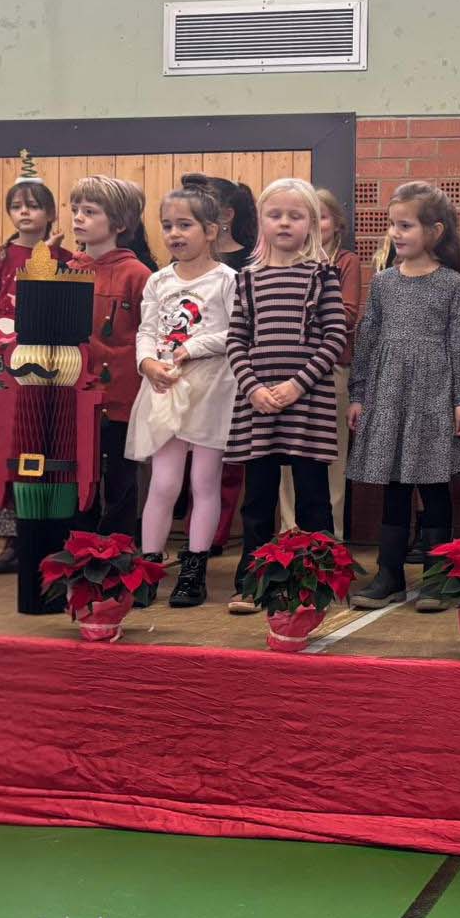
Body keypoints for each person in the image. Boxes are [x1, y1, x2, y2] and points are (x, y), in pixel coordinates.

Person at [346, 182, 460, 611]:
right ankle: (389, 575)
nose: (396, 234)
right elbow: (367, 338)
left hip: (434, 393)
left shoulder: (452, 284)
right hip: (388, 393)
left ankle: (438, 578)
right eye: (392, 226)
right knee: (394, 486)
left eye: (405, 226)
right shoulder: (382, 283)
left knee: (434, 485)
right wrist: (359, 393)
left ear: (434, 231)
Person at [224, 179, 348, 613]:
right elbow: (235, 340)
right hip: (258, 407)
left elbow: (334, 338)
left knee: (314, 499)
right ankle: (252, 584)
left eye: (295, 216)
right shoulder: (248, 278)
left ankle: (319, 583)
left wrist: (297, 384)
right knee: (257, 501)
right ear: (261, 221)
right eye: (275, 215)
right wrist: (253, 387)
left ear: (311, 223)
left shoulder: (322, 274)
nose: (284, 223)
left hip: (307, 405)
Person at [127, 187, 238, 606]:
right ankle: (150, 569)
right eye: (168, 226)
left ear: (211, 230)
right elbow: (146, 331)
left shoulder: (227, 280)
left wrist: (193, 348)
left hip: (210, 390)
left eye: (185, 225)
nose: (174, 233)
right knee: (164, 482)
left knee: (204, 481)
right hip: (164, 388)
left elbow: (236, 332)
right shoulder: (158, 280)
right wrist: (147, 364)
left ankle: (194, 571)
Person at [0, 152, 68, 575]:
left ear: (49, 212)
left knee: (39, 446)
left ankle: (40, 533)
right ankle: (9, 538)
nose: (25, 212)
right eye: (17, 206)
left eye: (33, 205)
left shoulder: (62, 259)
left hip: (43, 362)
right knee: (2, 446)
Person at [66, 175, 153, 538]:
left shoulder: (140, 275)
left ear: (119, 223)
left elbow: (149, 338)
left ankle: (116, 559)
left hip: (122, 400)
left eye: (90, 211)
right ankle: (78, 556)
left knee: (121, 484)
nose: (78, 218)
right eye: (75, 210)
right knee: (78, 482)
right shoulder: (70, 270)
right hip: (76, 397)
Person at [179, 172, 259, 555]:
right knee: (190, 454)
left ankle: (214, 530)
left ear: (225, 213)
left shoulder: (248, 260)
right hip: (191, 365)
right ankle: (193, 525)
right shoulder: (186, 262)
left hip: (233, 366)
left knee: (224, 457)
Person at [277, 188, 361, 539]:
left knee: (330, 461)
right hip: (286, 373)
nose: (314, 225)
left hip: (329, 372)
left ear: (336, 223)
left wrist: (301, 313)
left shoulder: (345, 262)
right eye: (307, 217)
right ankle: (288, 536)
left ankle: (330, 541)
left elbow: (347, 316)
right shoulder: (283, 261)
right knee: (285, 462)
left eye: (321, 217)